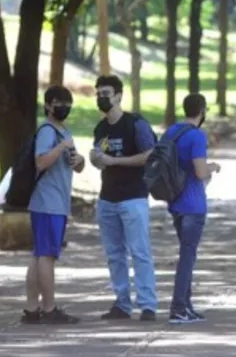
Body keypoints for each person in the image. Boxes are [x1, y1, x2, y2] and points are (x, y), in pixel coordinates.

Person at [90, 75, 158, 321]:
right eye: (98, 93)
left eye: (106, 93)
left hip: (133, 197)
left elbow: (149, 155)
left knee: (140, 252)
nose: (101, 98)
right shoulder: (101, 128)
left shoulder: (135, 124)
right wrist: (96, 159)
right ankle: (122, 303)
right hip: (107, 198)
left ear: (118, 96)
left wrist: (115, 161)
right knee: (114, 254)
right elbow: (101, 157)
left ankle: (148, 305)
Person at [21, 85, 84, 325]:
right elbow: (41, 162)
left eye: (68, 104)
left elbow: (76, 165)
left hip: (55, 202)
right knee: (46, 256)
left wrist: (79, 160)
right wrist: (61, 147)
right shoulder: (48, 131)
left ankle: (32, 309)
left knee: (39, 255)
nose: (64, 108)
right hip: (48, 203)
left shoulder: (64, 131)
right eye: (59, 103)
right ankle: (49, 309)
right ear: (48, 106)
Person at [164, 93, 220, 324]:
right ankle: (178, 306)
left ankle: (186, 305)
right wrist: (213, 166)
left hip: (175, 200)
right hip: (193, 203)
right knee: (187, 256)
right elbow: (200, 171)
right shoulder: (197, 136)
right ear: (202, 111)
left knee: (187, 253)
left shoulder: (172, 132)